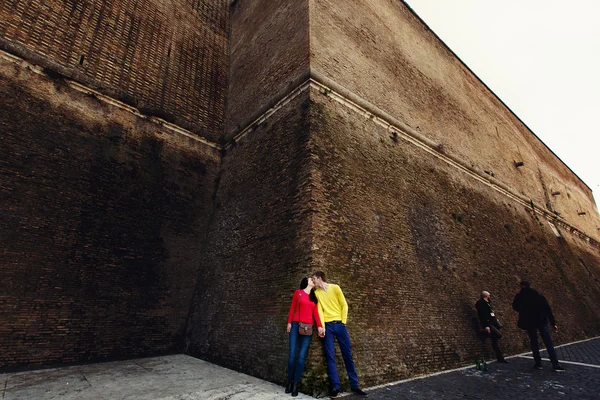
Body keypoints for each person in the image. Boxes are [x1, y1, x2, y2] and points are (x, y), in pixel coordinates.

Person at [310, 271, 368, 397]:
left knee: (347, 354)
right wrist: (322, 327)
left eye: (314, 279)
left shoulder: (335, 288)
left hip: (340, 325)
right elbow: (319, 310)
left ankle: (355, 385)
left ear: (319, 278)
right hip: (328, 326)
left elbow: (344, 305)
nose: (313, 282)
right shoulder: (317, 293)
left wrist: (343, 322)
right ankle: (335, 387)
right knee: (330, 356)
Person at [512, 281, 565, 371]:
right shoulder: (538, 294)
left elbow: (515, 306)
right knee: (548, 343)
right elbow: (547, 309)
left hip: (529, 322)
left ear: (522, 286)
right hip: (541, 320)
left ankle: (538, 363)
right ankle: (555, 364)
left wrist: (523, 311)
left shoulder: (520, 296)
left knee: (534, 342)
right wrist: (553, 323)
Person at [286, 277, 325, 397]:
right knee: (292, 355)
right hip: (295, 325)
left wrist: (319, 327)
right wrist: (289, 323)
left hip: (308, 328)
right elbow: (292, 308)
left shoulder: (314, 298)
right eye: (310, 279)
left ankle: (296, 384)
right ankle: (289, 382)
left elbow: (316, 314)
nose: (312, 280)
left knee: (302, 357)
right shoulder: (298, 293)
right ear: (306, 282)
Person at [475, 291, 508, 363]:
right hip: (488, 323)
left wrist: (495, 318)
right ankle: (483, 334)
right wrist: (486, 326)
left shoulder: (487, 303)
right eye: (489, 295)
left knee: (495, 342)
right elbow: (483, 315)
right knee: (499, 335)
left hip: (493, 323)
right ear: (486, 296)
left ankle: (500, 358)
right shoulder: (482, 304)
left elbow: (491, 313)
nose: (490, 296)